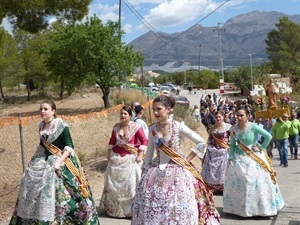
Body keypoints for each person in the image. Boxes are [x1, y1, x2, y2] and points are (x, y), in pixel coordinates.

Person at [131, 95, 220, 225]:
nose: (155, 112)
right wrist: (143, 173)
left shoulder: (178, 126)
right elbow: (149, 154)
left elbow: (201, 142)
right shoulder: (152, 130)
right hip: (155, 169)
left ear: (168, 109)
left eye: (159, 109)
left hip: (177, 170)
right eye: (154, 109)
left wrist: (187, 159)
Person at [9, 100, 100, 224]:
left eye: (45, 109)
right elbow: (42, 146)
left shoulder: (61, 125)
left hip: (62, 159)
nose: (42, 111)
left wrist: (58, 162)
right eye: (41, 109)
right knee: (29, 179)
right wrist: (33, 160)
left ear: (53, 111)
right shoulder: (41, 126)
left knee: (66, 188)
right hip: (44, 160)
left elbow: (69, 146)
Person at [223, 107, 284, 217]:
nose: (239, 117)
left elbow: (268, 136)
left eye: (241, 115)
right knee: (241, 183)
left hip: (253, 157)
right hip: (239, 158)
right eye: (237, 115)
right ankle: (240, 209)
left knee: (257, 183)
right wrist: (231, 156)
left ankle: (260, 209)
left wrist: (261, 148)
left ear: (247, 116)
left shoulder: (253, 127)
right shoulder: (233, 130)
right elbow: (232, 145)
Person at [100, 105, 148, 218]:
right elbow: (112, 140)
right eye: (121, 114)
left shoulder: (136, 127)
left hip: (130, 158)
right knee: (114, 186)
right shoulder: (116, 127)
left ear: (130, 116)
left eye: (125, 114)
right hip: (116, 158)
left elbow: (144, 141)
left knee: (130, 185)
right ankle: (114, 210)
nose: (122, 116)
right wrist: (109, 153)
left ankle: (130, 210)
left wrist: (140, 154)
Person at [201, 111, 231, 194]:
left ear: (223, 117)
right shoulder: (212, 128)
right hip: (213, 150)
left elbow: (232, 138)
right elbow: (210, 139)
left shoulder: (228, 127)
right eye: (217, 117)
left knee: (223, 169)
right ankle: (213, 187)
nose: (218, 119)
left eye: (219, 117)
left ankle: (222, 187)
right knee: (210, 168)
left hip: (224, 150)